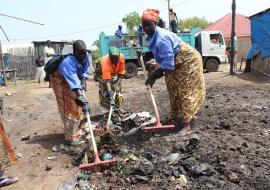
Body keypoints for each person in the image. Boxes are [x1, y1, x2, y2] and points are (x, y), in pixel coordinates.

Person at [141, 9, 205, 136]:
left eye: (150, 24)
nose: (147, 28)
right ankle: (174, 116)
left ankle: (187, 124)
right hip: (175, 60)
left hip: (188, 60)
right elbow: (163, 58)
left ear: (156, 23)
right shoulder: (151, 37)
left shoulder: (162, 38)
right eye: (144, 25)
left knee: (185, 89)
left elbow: (168, 64)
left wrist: (153, 76)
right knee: (172, 86)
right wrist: (151, 61)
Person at [50, 40, 90, 146]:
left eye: (84, 52)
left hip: (72, 79)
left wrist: (84, 80)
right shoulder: (67, 63)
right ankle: (70, 138)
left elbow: (85, 69)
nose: (82, 55)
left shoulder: (85, 56)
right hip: (59, 79)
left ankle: (78, 126)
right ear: (74, 52)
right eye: (80, 53)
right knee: (68, 105)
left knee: (77, 104)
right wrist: (82, 98)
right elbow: (73, 83)